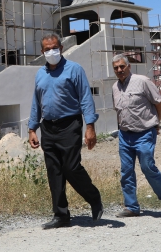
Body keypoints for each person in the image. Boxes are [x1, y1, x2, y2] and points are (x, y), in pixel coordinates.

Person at [28, 32, 104, 229]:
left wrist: (90, 127)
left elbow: (86, 98)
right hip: (48, 127)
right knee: (54, 171)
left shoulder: (74, 69)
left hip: (70, 125)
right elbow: (36, 103)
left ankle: (94, 198)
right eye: (47, 49)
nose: (51, 51)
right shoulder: (40, 74)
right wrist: (32, 128)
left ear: (61, 48)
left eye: (55, 48)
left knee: (71, 167)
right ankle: (61, 215)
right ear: (42, 51)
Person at [111, 54, 161, 217]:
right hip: (125, 135)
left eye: (122, 66)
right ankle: (131, 206)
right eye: (116, 68)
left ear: (128, 66)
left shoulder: (142, 81)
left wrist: (156, 123)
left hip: (145, 132)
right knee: (126, 171)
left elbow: (159, 103)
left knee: (147, 166)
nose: (119, 70)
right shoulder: (114, 88)